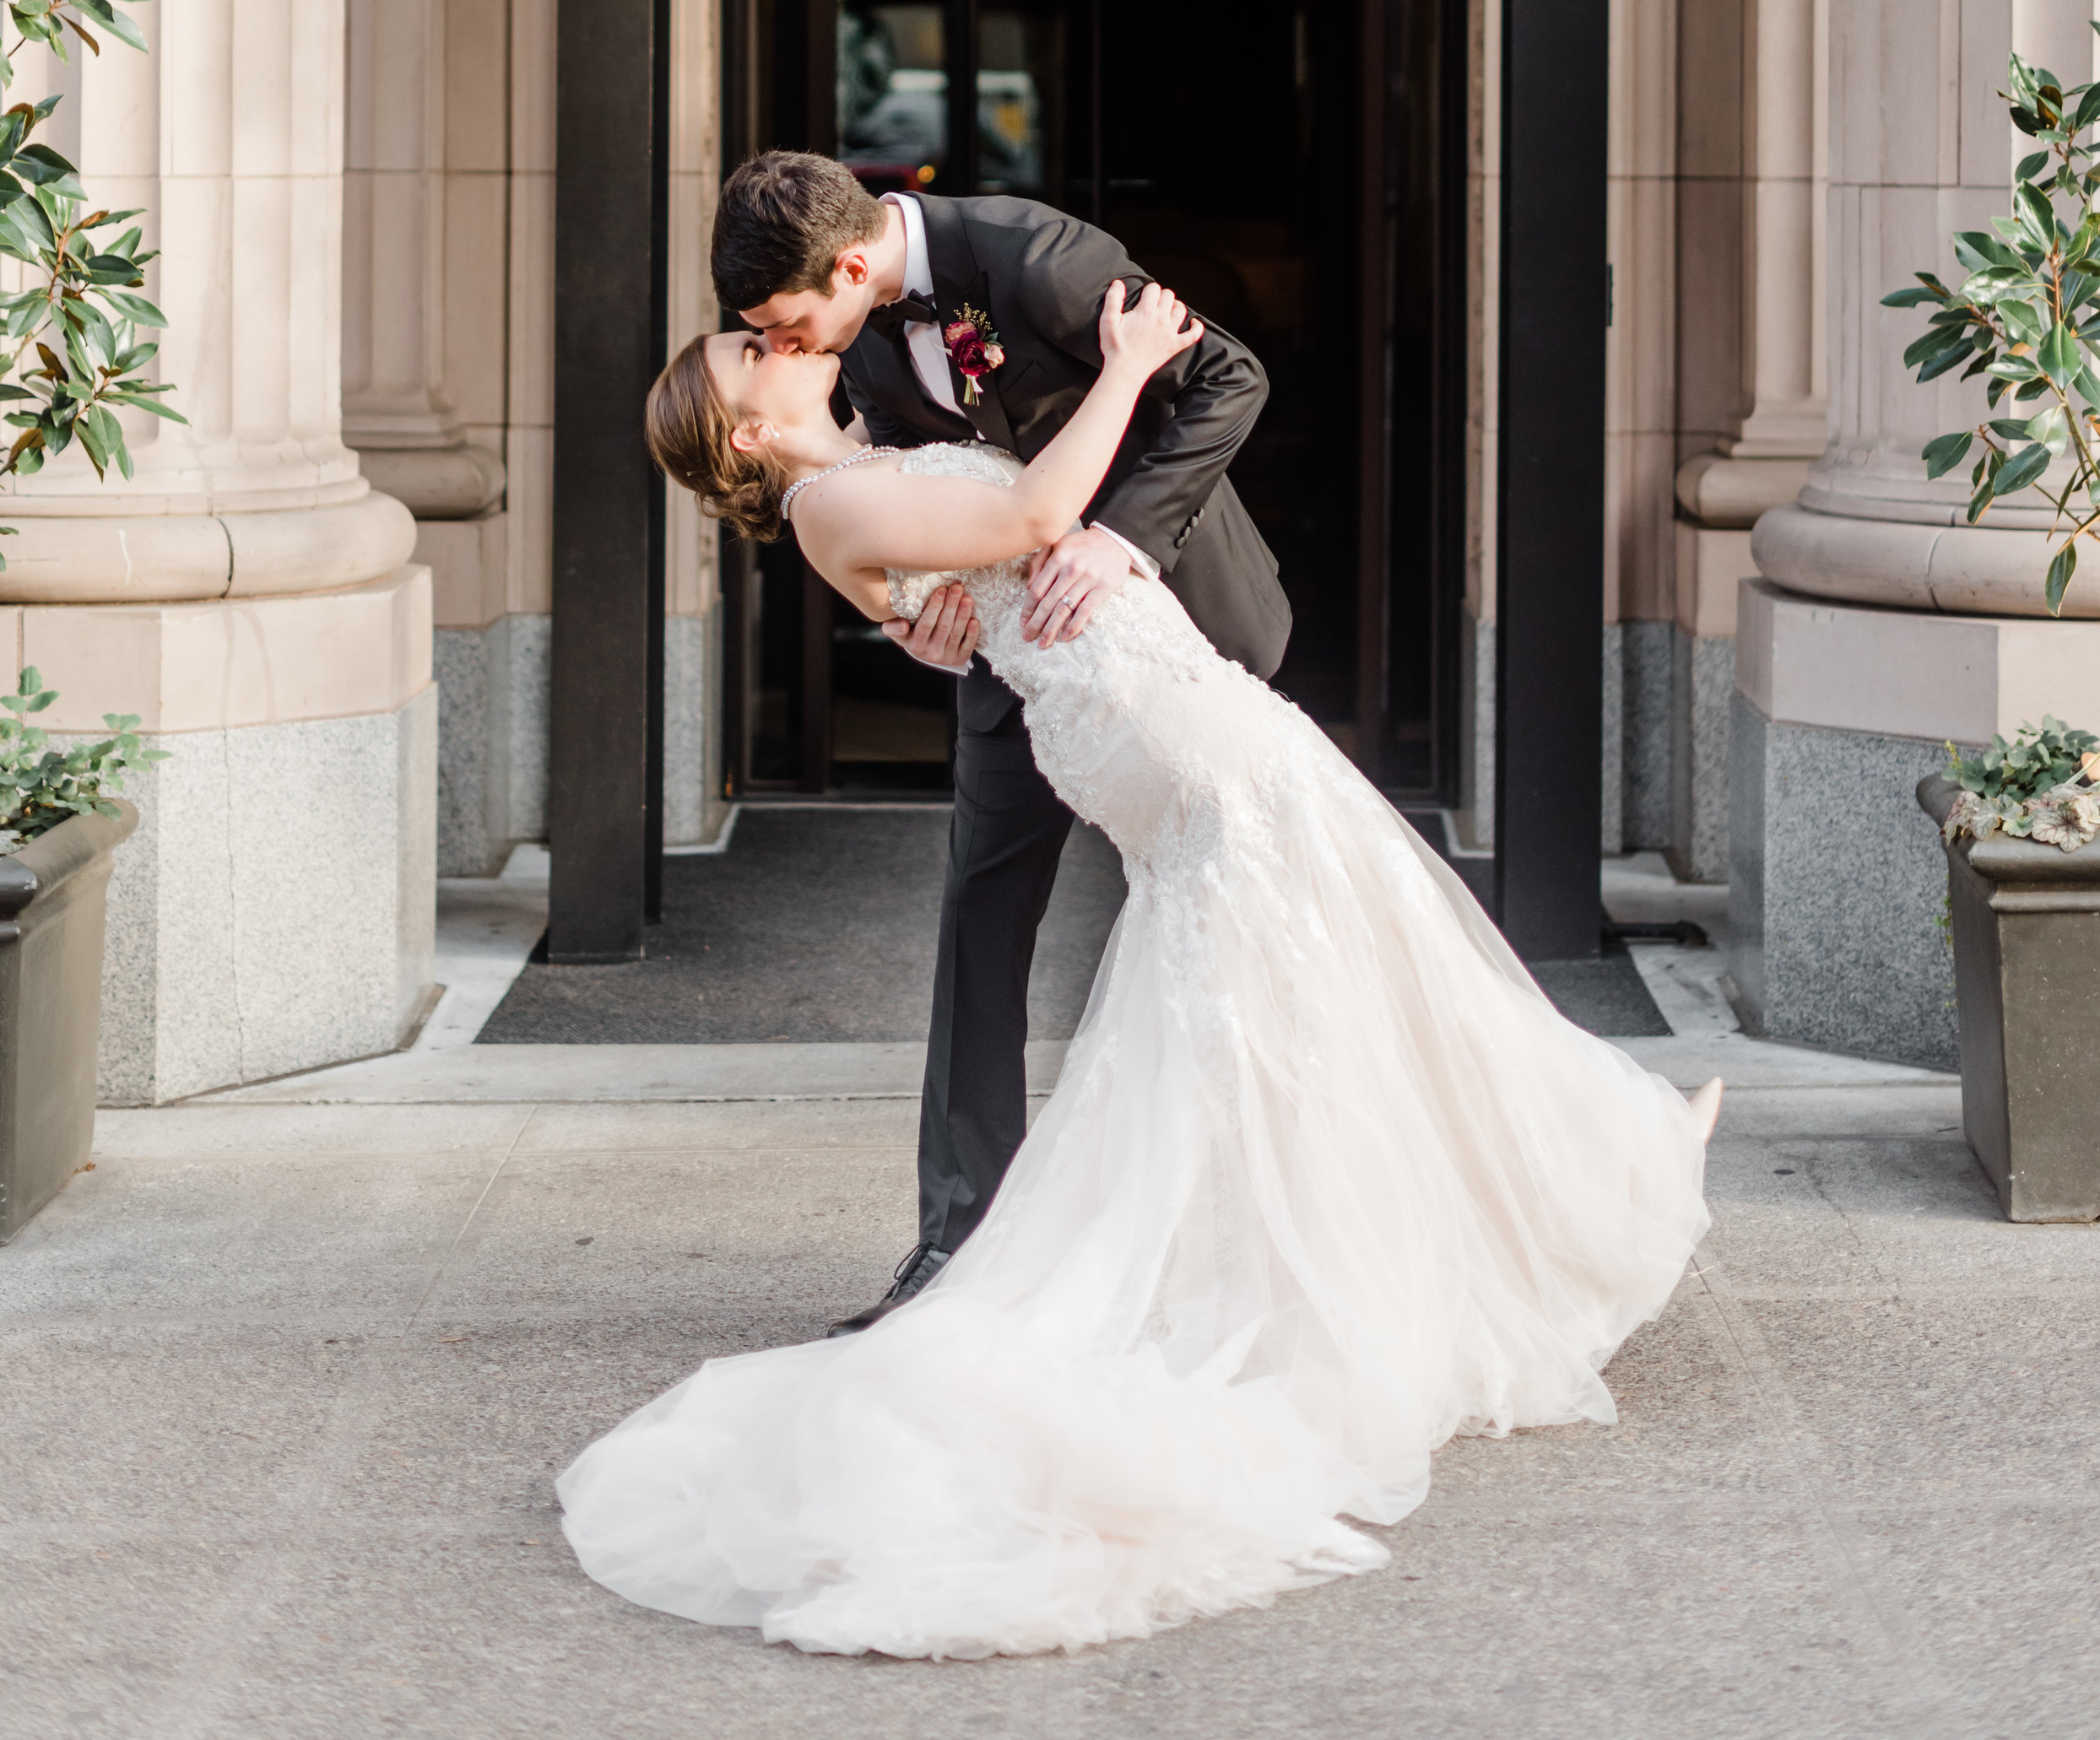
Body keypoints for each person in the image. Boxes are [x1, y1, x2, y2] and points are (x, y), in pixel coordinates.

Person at [557, 279, 1719, 1662]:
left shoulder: (865, 465)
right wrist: (1128, 364)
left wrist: (943, 594)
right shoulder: (825, 507)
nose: (779, 342)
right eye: (750, 355)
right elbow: (1039, 517)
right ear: (741, 440)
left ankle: (1513, 1188)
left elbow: (961, 579)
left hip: (1152, 694)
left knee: (1332, 974)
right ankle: (1547, 1187)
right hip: (1153, 718)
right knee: (1332, 961)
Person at [707, 149, 1291, 1330]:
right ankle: (956, 1244)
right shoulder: (849, 329)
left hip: (1163, 627)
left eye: (786, 320)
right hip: (1024, 669)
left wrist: (1121, 538)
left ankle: (1238, 1231)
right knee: (981, 916)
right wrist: (922, 600)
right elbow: (910, 483)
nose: (788, 346)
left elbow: (1231, 375)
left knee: (1227, 921)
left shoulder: (1034, 256)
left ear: (854, 262)